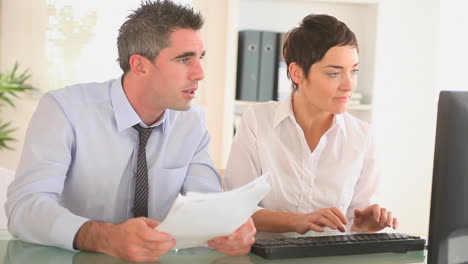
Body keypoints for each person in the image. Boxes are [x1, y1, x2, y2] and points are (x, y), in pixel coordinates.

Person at [5, 0, 255, 262]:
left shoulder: (192, 122)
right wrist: (105, 237)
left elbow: (207, 204)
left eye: (200, 58)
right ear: (140, 66)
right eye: (184, 59)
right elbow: (25, 208)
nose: (200, 73)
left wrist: (229, 225)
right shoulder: (65, 110)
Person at [224, 14, 398, 235]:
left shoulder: (362, 136)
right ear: (297, 73)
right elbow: (236, 210)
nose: (348, 85)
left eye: (354, 71)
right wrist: (295, 221)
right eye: (334, 73)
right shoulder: (258, 121)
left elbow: (356, 224)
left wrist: (364, 227)